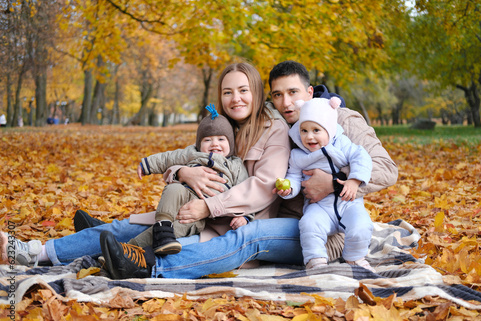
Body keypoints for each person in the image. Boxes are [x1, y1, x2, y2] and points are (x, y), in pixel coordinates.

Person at [2, 60, 397, 279]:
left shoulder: (338, 121)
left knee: (245, 237)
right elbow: (200, 158)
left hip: (318, 228)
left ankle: (148, 266)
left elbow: (384, 169)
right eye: (278, 94)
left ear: (310, 94)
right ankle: (34, 250)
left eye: (293, 92)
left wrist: (336, 183)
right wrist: (181, 174)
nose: (285, 100)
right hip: (236, 214)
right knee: (137, 225)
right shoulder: (241, 127)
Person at [1, 62, 291, 270]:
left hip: (228, 225)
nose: (235, 98)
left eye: (243, 90)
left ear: (256, 91)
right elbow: (186, 157)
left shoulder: (272, 129)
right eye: (228, 92)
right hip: (190, 210)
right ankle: (31, 251)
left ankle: (103, 261)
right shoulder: (222, 126)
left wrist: (209, 206)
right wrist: (182, 172)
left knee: (150, 244)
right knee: (126, 226)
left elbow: (265, 187)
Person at [129, 107, 253, 255]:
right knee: (173, 189)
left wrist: (244, 216)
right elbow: (169, 158)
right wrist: (147, 164)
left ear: (230, 143)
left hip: (202, 214)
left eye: (221, 139)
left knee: (180, 226)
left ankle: (129, 248)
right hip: (183, 195)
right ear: (199, 144)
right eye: (208, 140)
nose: (215, 144)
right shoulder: (192, 153)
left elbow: (244, 191)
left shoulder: (236, 165)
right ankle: (163, 223)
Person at [274, 97, 373, 271]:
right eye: (304, 130)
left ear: (329, 129)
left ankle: (354, 258)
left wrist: (354, 180)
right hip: (319, 206)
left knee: (361, 225)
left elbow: (361, 156)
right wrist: (289, 188)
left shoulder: (342, 144)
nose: (309, 136)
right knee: (308, 225)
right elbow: (295, 176)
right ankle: (316, 261)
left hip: (348, 202)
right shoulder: (298, 155)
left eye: (316, 130)